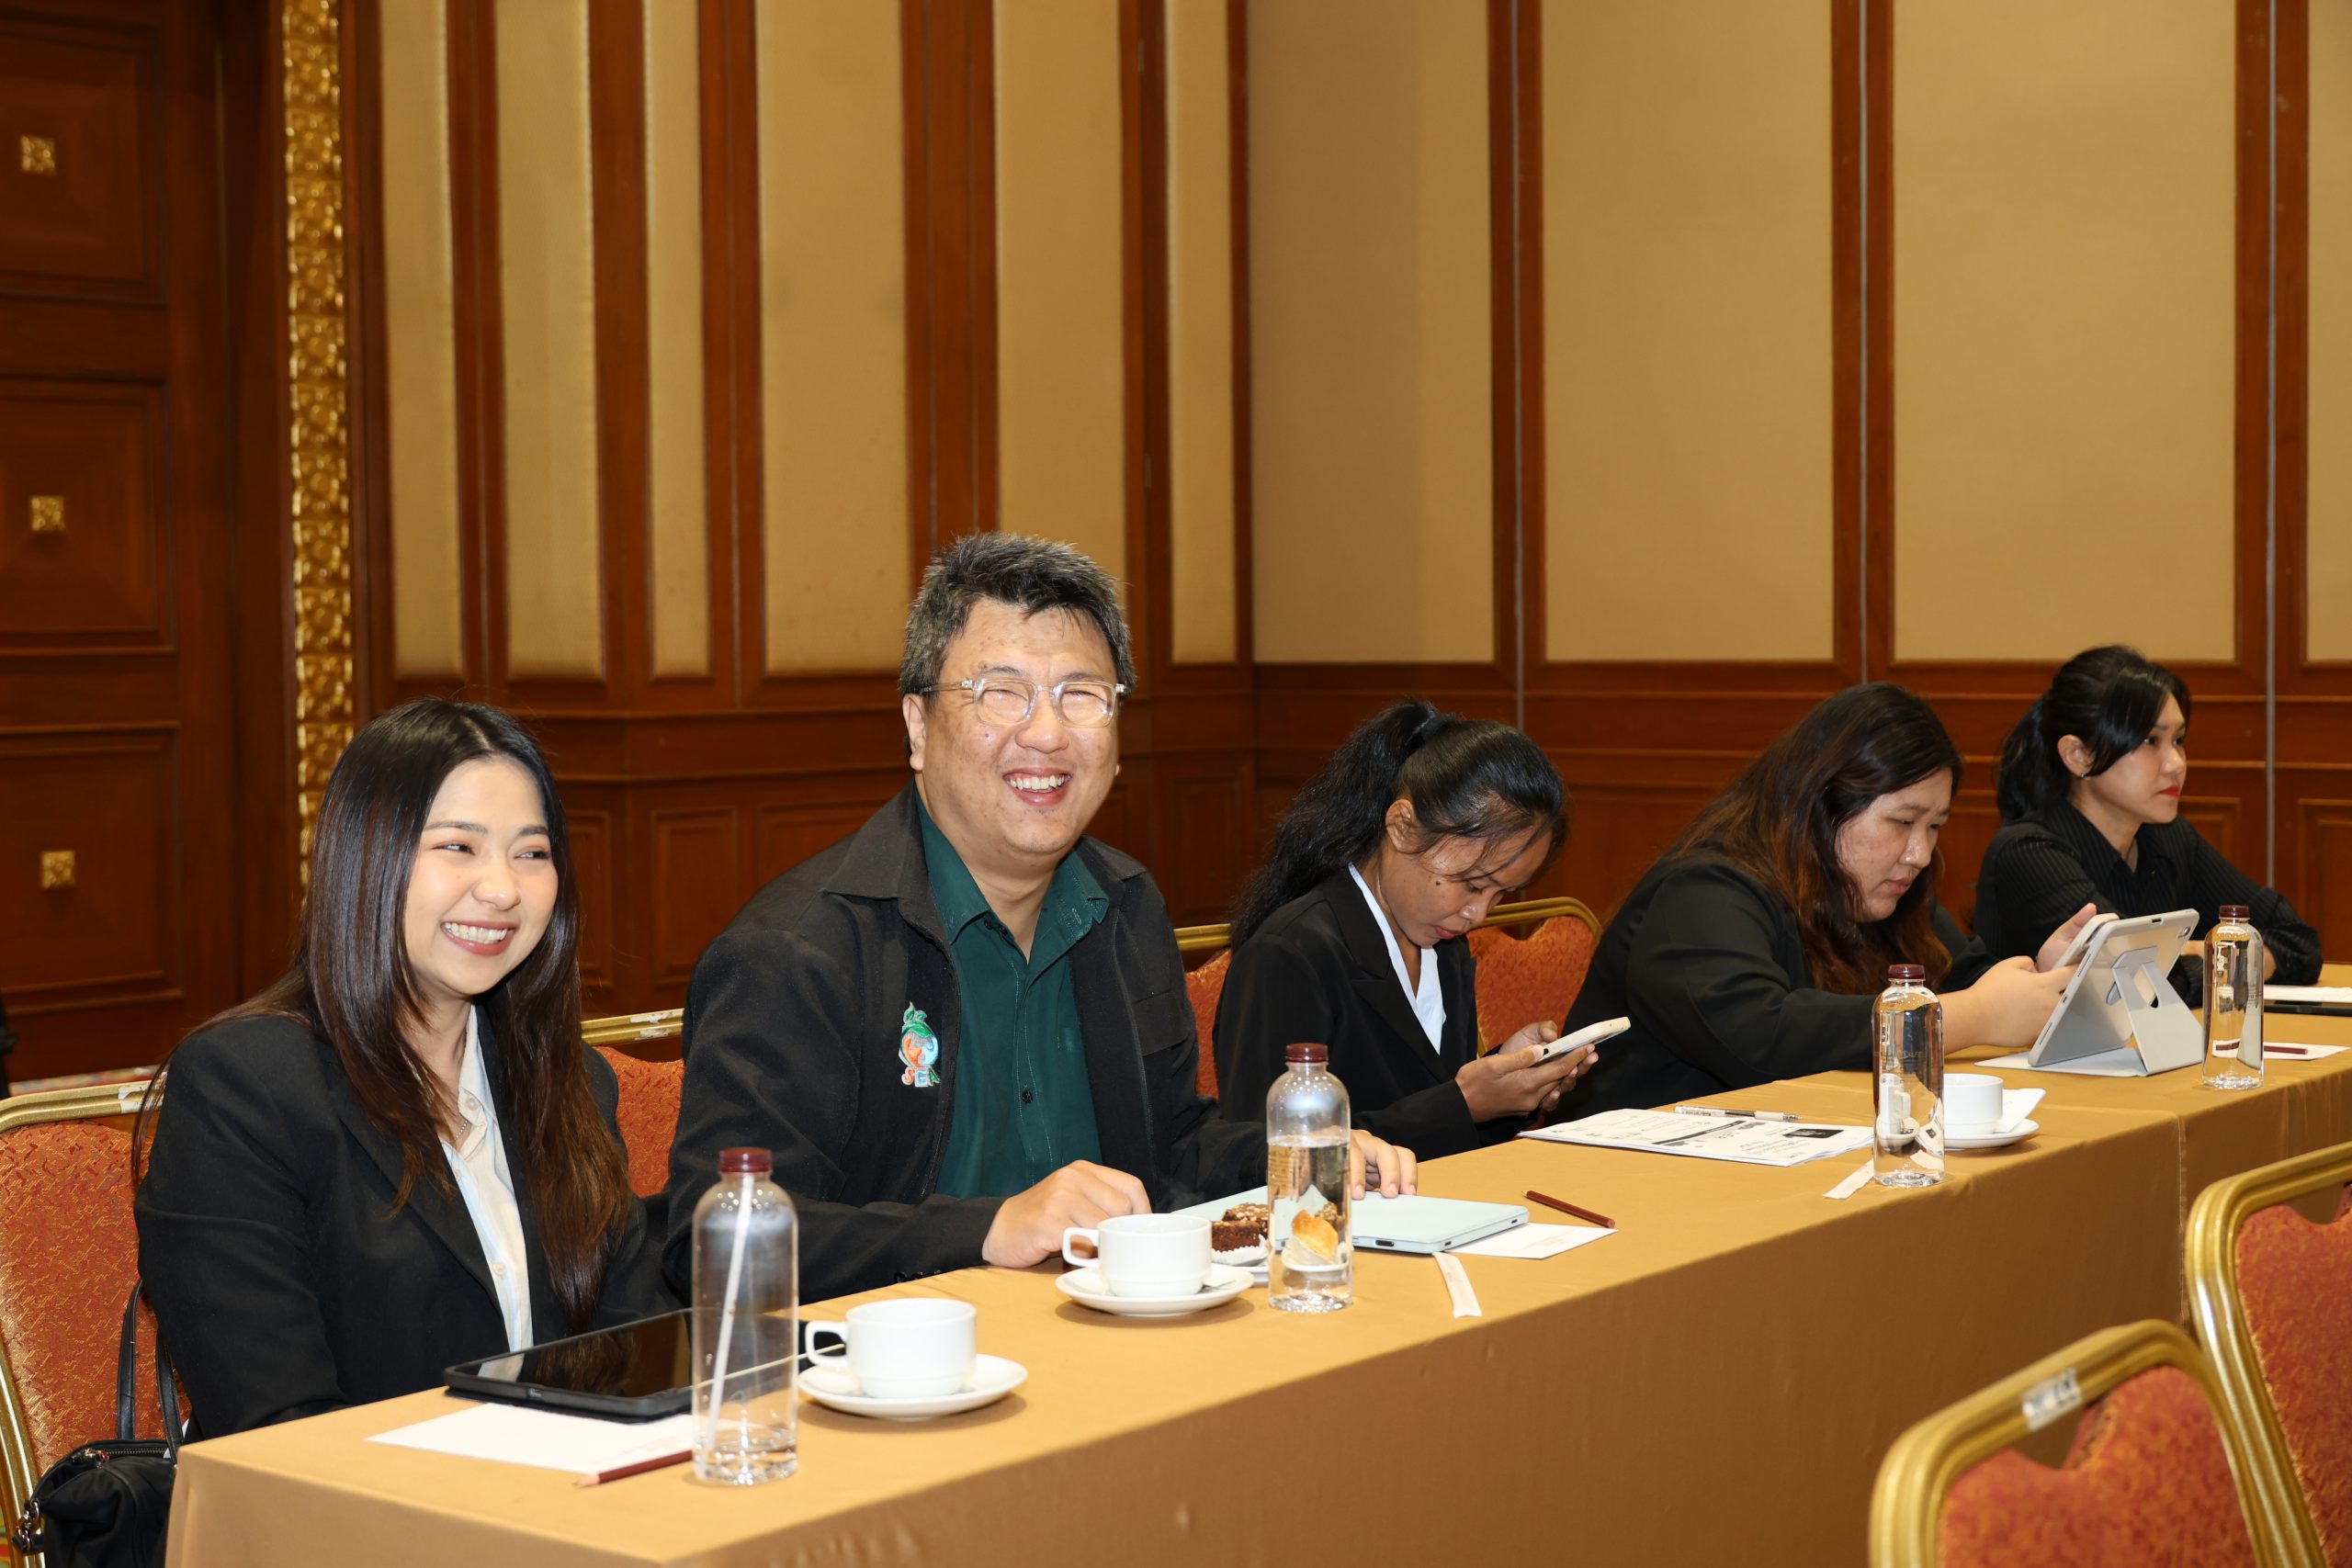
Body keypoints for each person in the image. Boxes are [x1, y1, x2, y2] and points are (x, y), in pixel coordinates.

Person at [662, 535, 1417, 1303]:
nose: (1048, 733)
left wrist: (1300, 1158)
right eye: (1002, 691)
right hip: (889, 1358)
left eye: (1081, 694)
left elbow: (1170, 1148)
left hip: (1114, 1340)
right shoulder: (798, 949)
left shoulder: (1126, 905)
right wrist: (987, 1228)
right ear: (918, 725)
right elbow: (714, 1236)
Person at [135, 700, 669, 1439]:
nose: (502, 888)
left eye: (531, 852)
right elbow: (278, 1427)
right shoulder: (246, 1088)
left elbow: (640, 1361)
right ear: (368, 857)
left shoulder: (566, 1078)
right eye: (458, 846)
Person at [1559, 684, 2094, 1117]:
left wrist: (2041, 981)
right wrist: (1967, 1016)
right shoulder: (1704, 889)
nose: (1920, 854)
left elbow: (1966, 980)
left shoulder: (1886, 888)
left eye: (1934, 826)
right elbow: (1763, 1037)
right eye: (1902, 822)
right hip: (1633, 1171)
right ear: (1819, 806)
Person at [1212, 701, 1592, 1156]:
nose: (1478, 914)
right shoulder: (1291, 952)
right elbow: (1269, 1153)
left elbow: (1436, 1122)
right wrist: (1463, 1103)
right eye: (1471, 884)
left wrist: (1506, 1085)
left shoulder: (1444, 944)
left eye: (1502, 894)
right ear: (1402, 826)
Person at [1976, 645, 2321, 987]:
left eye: (2179, 740)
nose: (2177, 764)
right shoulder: (2027, 852)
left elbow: (2297, 940)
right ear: (2079, 755)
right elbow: (2137, 982)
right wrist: (2220, 957)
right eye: (2149, 741)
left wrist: (2200, 956)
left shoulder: (2169, 837)